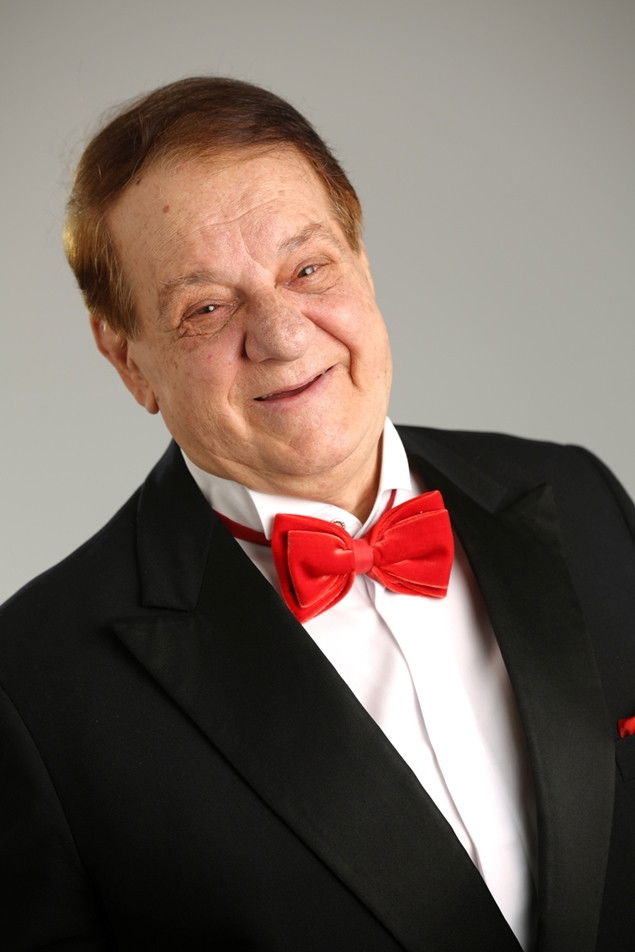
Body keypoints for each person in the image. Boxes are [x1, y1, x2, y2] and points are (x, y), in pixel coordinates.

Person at [1, 77, 634, 952]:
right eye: (206, 307)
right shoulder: (32, 688)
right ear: (128, 360)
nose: (283, 335)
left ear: (361, 263)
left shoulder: (578, 494)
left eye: (306, 269)